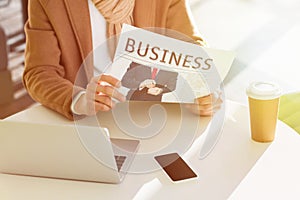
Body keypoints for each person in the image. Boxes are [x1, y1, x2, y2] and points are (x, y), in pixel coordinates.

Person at [23, 0, 221, 120]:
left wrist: (200, 90)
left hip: (155, 115)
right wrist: (80, 99)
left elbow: (190, 47)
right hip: (90, 124)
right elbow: (39, 72)